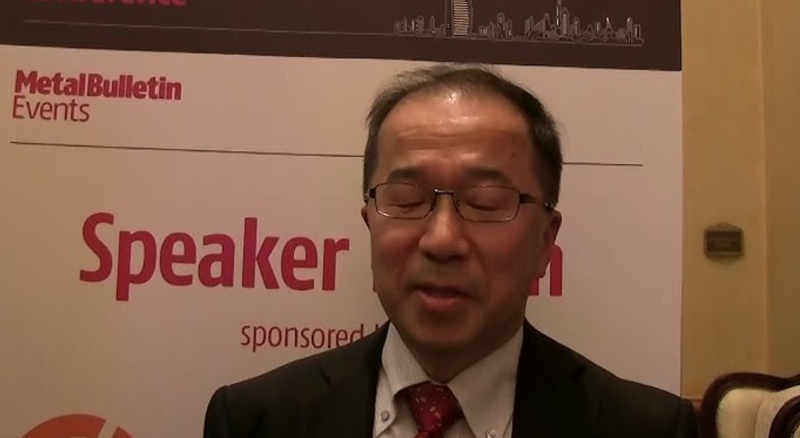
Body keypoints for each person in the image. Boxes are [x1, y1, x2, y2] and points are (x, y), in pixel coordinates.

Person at [202, 63, 698, 438]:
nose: (441, 240)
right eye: (406, 199)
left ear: (546, 241)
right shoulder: (255, 420)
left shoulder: (645, 429)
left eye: (485, 203)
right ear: (370, 223)